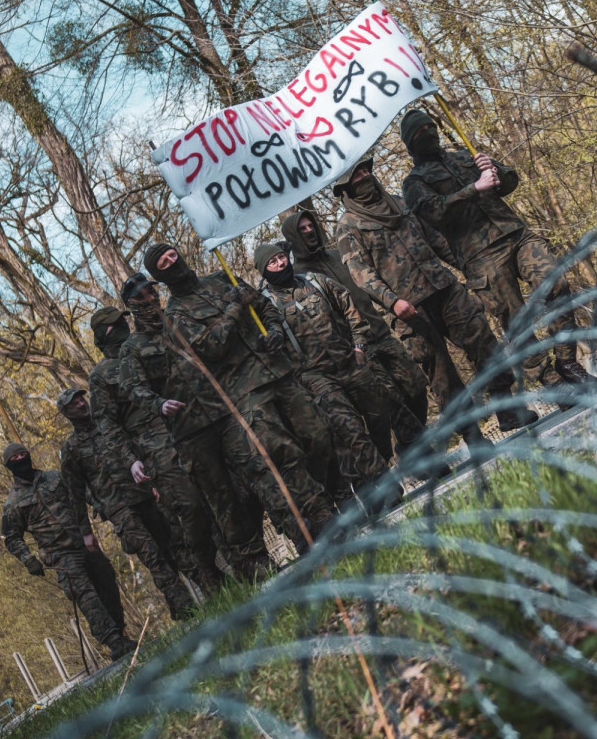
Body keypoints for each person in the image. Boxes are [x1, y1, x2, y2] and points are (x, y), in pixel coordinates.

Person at [142, 243, 336, 549]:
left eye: (173, 254)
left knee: (318, 434)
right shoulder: (175, 316)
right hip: (244, 391)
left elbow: (264, 308)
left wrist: (274, 331)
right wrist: (234, 308)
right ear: (160, 275)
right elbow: (212, 347)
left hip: (278, 370)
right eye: (164, 263)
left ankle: (326, 496)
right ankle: (319, 516)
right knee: (281, 453)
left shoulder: (222, 278)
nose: (173, 260)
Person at [335, 157, 536, 434]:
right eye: (357, 175)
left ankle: (507, 409)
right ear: (346, 187)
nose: (365, 176)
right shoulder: (348, 226)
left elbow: (435, 239)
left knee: (483, 340)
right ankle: (471, 434)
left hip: (444, 287)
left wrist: (466, 264)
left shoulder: (400, 203)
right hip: (409, 309)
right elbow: (362, 275)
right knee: (441, 373)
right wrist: (392, 302)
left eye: (366, 170)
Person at [399, 109, 597, 387]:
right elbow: (434, 213)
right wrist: (474, 188)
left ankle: (567, 360)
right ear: (411, 143)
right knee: (516, 321)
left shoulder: (463, 157)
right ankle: (552, 381)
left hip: (514, 234)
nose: (429, 133)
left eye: (431, 127)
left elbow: (509, 182)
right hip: (480, 257)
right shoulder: (414, 183)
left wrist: (495, 170)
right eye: (421, 132)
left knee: (556, 282)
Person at [117, 273, 273, 579]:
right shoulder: (132, 348)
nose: (150, 299)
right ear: (132, 305)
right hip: (189, 432)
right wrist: (158, 403)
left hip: (224, 413)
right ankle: (255, 568)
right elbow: (133, 388)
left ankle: (298, 531)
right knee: (222, 499)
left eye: (152, 292)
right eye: (142, 297)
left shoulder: (180, 321)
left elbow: (215, 345)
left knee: (258, 474)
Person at [88, 305, 223, 593]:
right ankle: (209, 574)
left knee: (218, 492)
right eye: (116, 324)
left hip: (188, 426)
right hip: (152, 446)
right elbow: (107, 425)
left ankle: (244, 561)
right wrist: (131, 461)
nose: (125, 325)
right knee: (190, 507)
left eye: (125, 319)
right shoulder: (101, 376)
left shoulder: (146, 346)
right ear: (103, 335)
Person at [281, 205, 431, 453]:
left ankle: (407, 446)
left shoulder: (338, 255)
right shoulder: (299, 276)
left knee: (415, 386)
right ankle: (423, 457)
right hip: (354, 348)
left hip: (380, 332)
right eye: (302, 229)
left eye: (311, 226)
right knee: (391, 400)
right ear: (293, 237)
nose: (309, 232)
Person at [254, 242, 393, 509]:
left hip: (350, 361)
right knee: (350, 430)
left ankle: (373, 471)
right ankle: (383, 487)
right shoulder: (266, 305)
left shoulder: (315, 282)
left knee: (380, 413)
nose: (281, 264)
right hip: (315, 377)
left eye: (282, 258)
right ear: (264, 269)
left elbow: (349, 307)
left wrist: (359, 344)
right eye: (273, 262)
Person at [57, 388, 195, 621]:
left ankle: (208, 589)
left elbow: (140, 452)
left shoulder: (109, 426)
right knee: (152, 555)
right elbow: (75, 494)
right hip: (119, 509)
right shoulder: (70, 449)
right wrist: (86, 533)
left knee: (174, 542)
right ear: (66, 412)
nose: (81, 404)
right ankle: (185, 606)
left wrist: (156, 483)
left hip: (145, 494)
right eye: (74, 403)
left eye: (81, 399)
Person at [0, 442, 136, 660]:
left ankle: (120, 632)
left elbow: (80, 493)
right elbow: (12, 537)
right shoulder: (13, 503)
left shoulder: (54, 477)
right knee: (86, 595)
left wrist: (99, 504)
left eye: (23, 454)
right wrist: (28, 559)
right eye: (15, 459)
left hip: (84, 542)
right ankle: (113, 641)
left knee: (107, 583)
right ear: (9, 466)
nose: (20, 459)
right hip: (60, 555)